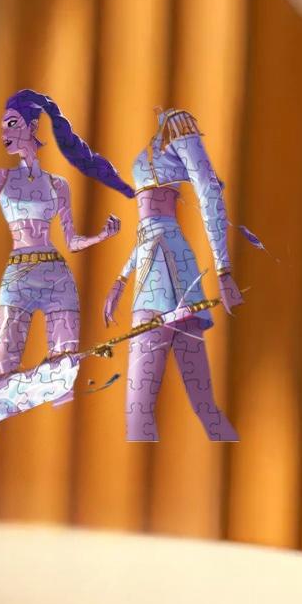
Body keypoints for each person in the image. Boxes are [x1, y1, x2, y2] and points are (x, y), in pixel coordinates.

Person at [0, 89, 132, 442]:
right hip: (19, 276)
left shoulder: (59, 185)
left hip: (58, 277)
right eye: (2, 126)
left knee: (63, 379)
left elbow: (71, 241)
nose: (4, 132)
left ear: (32, 126)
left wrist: (102, 236)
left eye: (12, 124)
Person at [103, 108, 243, 441]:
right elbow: (149, 232)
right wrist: (120, 280)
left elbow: (209, 191)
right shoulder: (161, 137)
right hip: (160, 265)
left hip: (164, 274)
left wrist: (223, 270)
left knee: (142, 409)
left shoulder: (179, 126)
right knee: (200, 407)